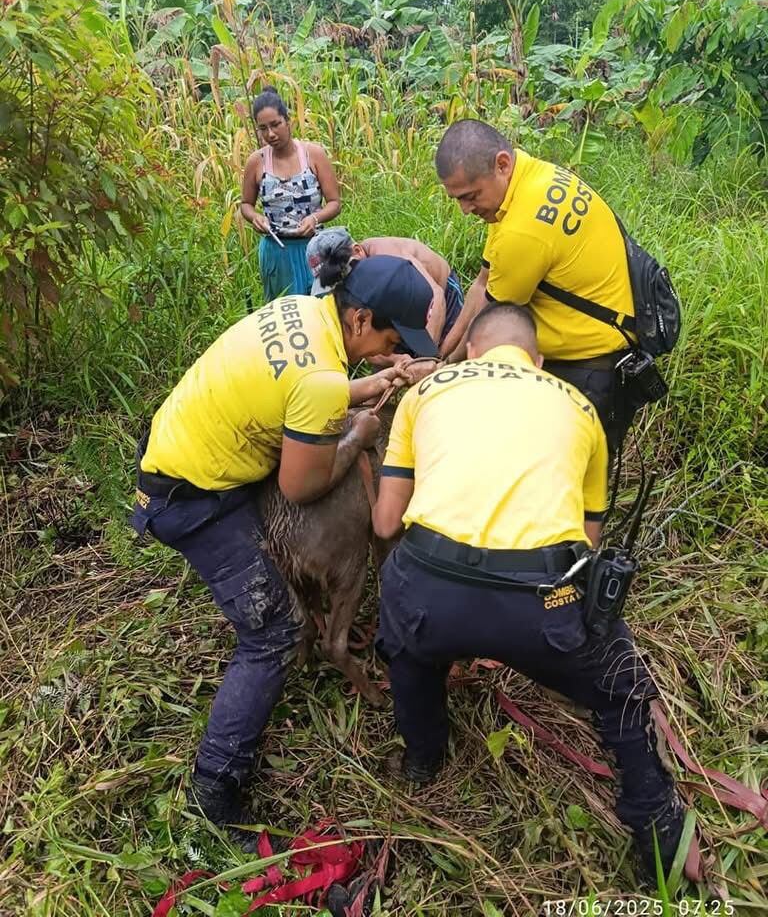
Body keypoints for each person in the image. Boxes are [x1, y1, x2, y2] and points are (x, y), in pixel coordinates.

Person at [372, 302, 684, 877]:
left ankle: (422, 758)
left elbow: (387, 525)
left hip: (431, 594)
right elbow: (587, 546)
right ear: (539, 360)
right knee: (620, 691)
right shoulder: (582, 408)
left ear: (472, 350)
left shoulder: (426, 392)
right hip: (543, 602)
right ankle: (659, 834)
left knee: (406, 647)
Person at [130, 256, 437, 837]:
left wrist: (367, 383)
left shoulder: (302, 309)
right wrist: (360, 433)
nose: (390, 350)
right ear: (360, 318)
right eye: (389, 339)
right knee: (274, 630)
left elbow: (309, 386)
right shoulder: (320, 382)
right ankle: (214, 785)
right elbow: (302, 486)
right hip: (189, 500)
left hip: (180, 450)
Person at [435, 119, 638, 454]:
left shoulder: (523, 229)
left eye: (470, 196)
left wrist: (445, 370)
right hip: (594, 348)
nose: (465, 210)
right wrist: (441, 354)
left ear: (501, 164)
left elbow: (491, 316)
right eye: (457, 199)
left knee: (567, 484)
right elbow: (483, 282)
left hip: (591, 367)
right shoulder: (530, 178)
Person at [240, 86, 341, 300]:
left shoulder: (313, 155)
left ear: (289, 121)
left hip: (314, 249)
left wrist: (314, 218)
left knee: (321, 313)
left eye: (276, 124)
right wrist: (255, 217)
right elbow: (245, 204)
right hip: (277, 253)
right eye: (263, 128)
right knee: (286, 317)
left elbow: (334, 203)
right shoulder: (257, 162)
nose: (271, 134)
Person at [306, 227, 465, 358]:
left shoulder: (388, 256)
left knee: (447, 358)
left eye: (346, 276)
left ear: (357, 251)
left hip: (440, 300)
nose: (345, 285)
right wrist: (397, 363)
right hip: (398, 313)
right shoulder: (357, 284)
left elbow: (436, 298)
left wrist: (428, 359)